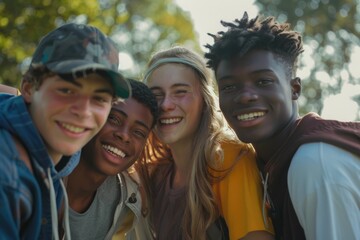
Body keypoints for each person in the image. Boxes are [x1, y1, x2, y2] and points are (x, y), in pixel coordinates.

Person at [205, 12, 360, 240]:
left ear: (294, 89)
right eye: (229, 87)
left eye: (263, 81)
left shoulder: (315, 164)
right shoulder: (266, 164)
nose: (245, 96)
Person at [0, 23, 131, 239]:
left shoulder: (57, 161)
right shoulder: (8, 176)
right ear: (29, 87)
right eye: (67, 90)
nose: (83, 111)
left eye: (99, 98)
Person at [138, 46, 274, 240]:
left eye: (180, 92)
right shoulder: (156, 172)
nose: (166, 104)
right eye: (156, 94)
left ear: (204, 101)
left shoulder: (227, 157)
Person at [65, 78, 158, 240]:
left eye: (139, 132)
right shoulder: (38, 167)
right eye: (114, 119)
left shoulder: (125, 200)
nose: (124, 135)